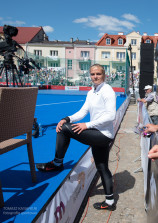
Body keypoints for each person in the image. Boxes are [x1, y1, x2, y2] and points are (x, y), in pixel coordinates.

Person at [36, 64, 117, 211]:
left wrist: (87, 125)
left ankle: (57, 163)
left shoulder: (107, 91)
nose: (95, 76)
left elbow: (111, 116)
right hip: (98, 134)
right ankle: (110, 202)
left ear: (104, 75)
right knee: (102, 167)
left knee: (64, 130)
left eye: (98, 74)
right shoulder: (92, 92)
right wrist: (67, 118)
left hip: (102, 135)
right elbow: (83, 111)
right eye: (92, 74)